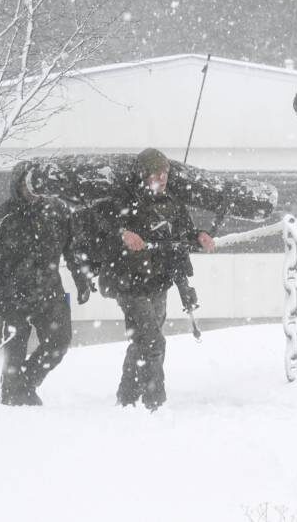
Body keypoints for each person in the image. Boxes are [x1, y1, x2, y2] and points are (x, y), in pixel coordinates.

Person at [84, 148, 215, 411]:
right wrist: (123, 233)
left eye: (165, 172)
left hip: (158, 282)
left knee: (143, 341)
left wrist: (200, 235)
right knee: (154, 341)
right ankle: (155, 403)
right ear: (143, 175)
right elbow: (98, 224)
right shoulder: (123, 199)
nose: (162, 178)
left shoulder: (172, 203)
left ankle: (127, 397)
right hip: (128, 283)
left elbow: (184, 234)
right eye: (156, 173)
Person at [0, 163, 92, 405]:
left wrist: (82, 280)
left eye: (37, 182)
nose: (33, 188)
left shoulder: (58, 211)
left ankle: (25, 384)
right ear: (17, 184)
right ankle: (12, 402)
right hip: (13, 294)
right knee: (14, 355)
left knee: (59, 343)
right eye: (27, 183)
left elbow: (74, 249)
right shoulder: (4, 215)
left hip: (50, 292)